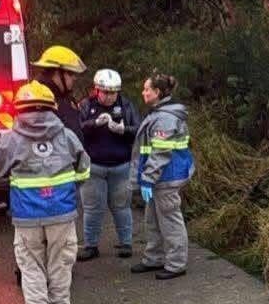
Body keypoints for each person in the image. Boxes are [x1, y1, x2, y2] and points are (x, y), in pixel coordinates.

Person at [0, 81, 90, 304]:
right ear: (52, 108)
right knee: (60, 263)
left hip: (27, 216)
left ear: (17, 110)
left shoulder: (10, 140)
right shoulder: (67, 136)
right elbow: (84, 169)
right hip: (62, 212)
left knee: (32, 266)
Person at [129, 73, 194, 280]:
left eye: (147, 89)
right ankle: (154, 258)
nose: (143, 92)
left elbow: (160, 153)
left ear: (157, 93)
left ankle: (176, 264)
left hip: (166, 177)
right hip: (159, 178)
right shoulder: (159, 114)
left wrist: (148, 178)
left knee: (170, 221)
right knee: (153, 219)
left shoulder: (164, 118)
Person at [77, 69, 141, 261]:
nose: (109, 96)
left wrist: (123, 130)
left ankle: (126, 243)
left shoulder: (126, 105)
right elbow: (76, 130)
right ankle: (90, 245)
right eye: (105, 92)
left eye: (113, 92)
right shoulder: (86, 106)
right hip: (94, 166)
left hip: (121, 165)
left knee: (122, 206)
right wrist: (94, 124)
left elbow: (138, 129)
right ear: (97, 90)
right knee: (92, 208)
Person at [30, 45, 87, 140]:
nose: (74, 78)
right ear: (57, 73)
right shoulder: (41, 101)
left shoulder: (62, 96)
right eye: (70, 73)